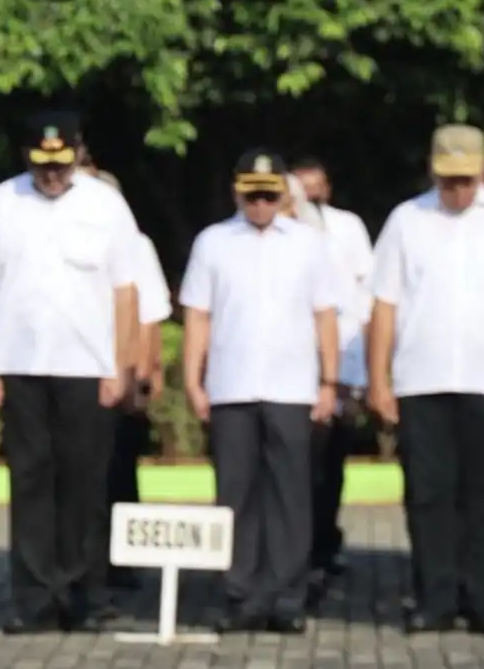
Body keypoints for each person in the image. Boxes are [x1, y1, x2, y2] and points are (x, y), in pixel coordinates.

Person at [0, 110, 140, 634]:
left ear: (78, 153)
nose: (51, 175)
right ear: (26, 156)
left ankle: (85, 597)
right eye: (42, 165)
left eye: (60, 165)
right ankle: (33, 599)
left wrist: (119, 366)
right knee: (31, 484)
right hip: (20, 365)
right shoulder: (0, 203)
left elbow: (126, 291)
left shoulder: (107, 205)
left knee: (85, 485)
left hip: (87, 366)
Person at [368, 124, 484, 637]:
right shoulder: (406, 220)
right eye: (448, 181)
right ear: (433, 172)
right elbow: (384, 305)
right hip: (422, 380)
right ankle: (434, 600)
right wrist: (378, 379)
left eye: (467, 181)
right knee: (429, 495)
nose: (457, 192)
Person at [179, 149, 341, 635]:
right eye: (253, 194)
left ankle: (288, 598)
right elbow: (197, 316)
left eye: (270, 195)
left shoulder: (309, 244)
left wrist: (330, 380)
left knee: (291, 496)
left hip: (293, 387)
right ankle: (242, 594)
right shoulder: (213, 242)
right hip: (231, 385)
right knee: (236, 495)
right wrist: (192, 378)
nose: (261, 204)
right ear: (237, 191)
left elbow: (325, 314)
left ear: (284, 196)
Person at [76, 160, 174, 594]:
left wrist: (141, 374)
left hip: (117, 375)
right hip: (73, 371)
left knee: (117, 474)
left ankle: (120, 561)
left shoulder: (135, 243)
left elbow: (148, 316)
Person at [291, 156, 374, 592]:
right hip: (291, 371)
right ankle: (298, 553)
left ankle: (325, 545)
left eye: (316, 188)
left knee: (329, 465)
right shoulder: (283, 235)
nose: (310, 197)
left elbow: (364, 301)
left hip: (340, 361)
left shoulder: (349, 228)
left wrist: (354, 374)